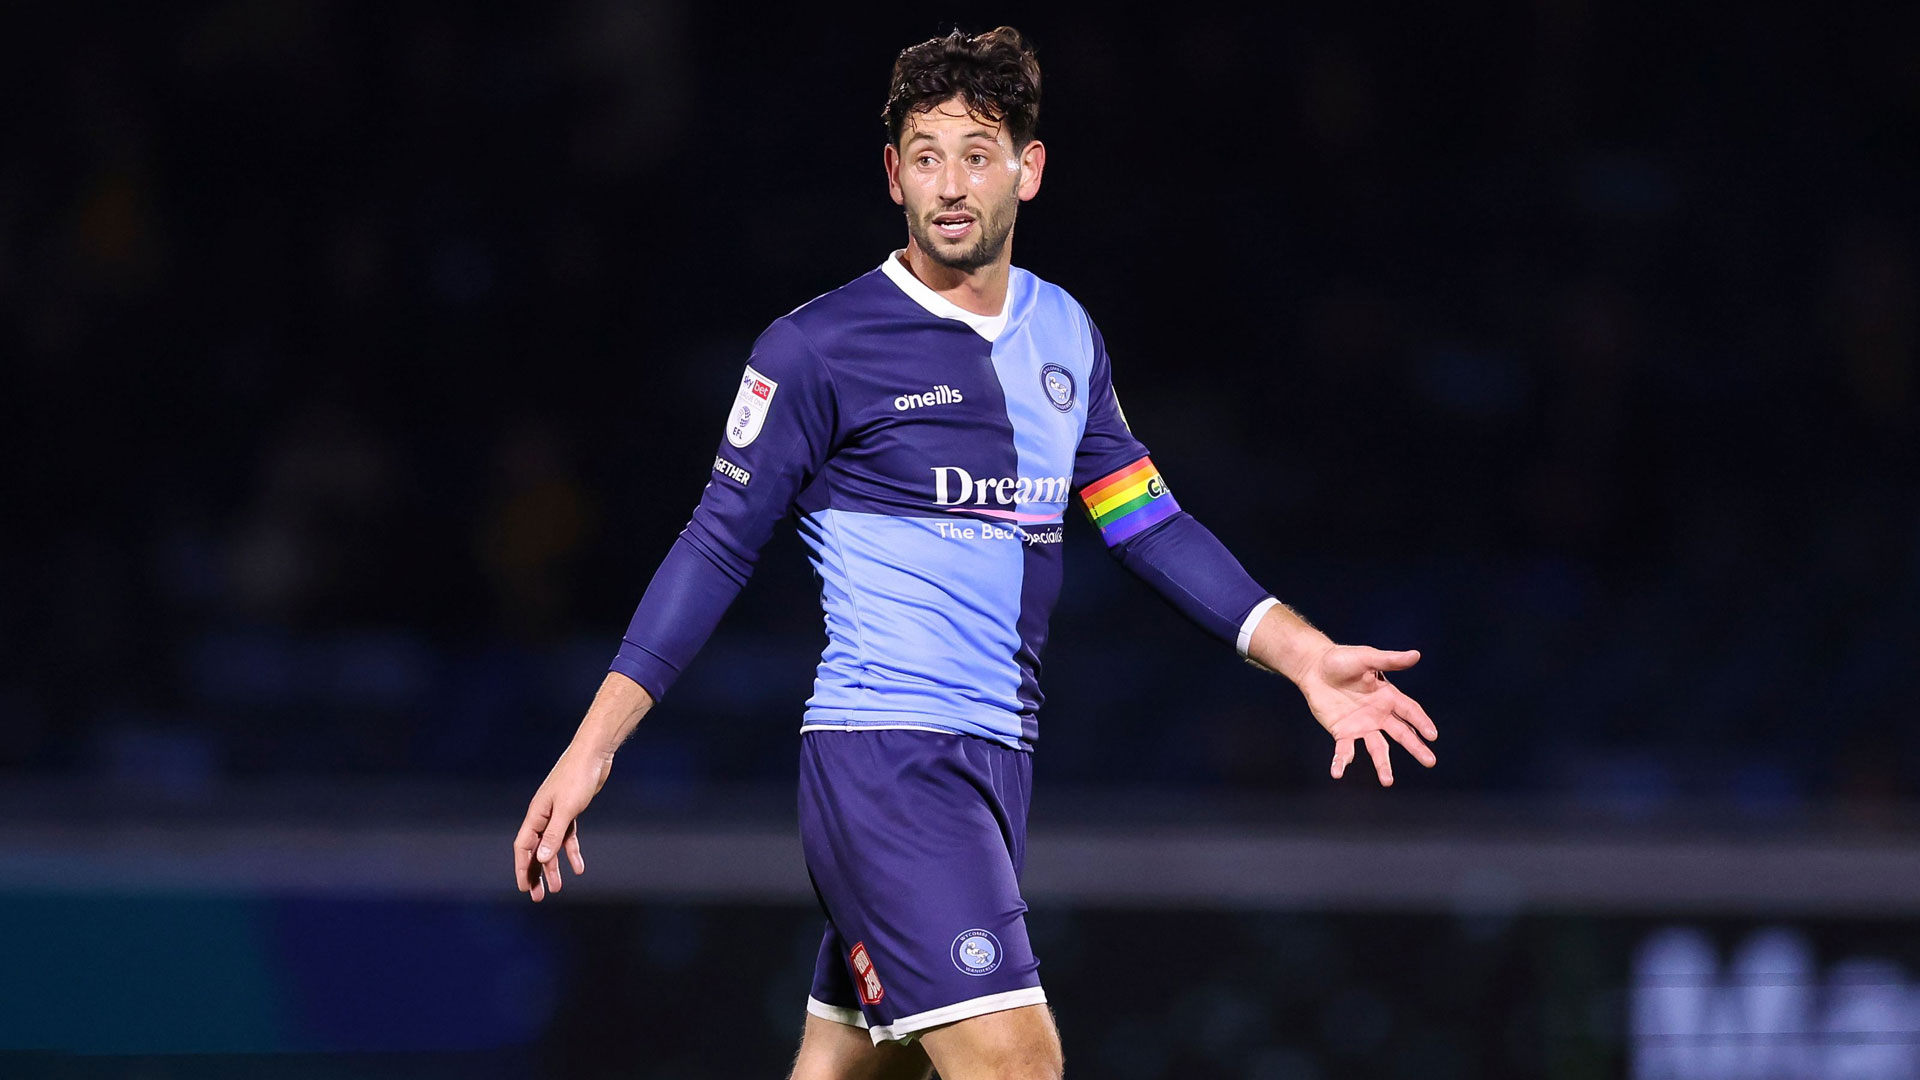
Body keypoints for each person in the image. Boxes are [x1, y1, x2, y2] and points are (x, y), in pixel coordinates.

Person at [512, 25, 1438, 1080]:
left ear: (1028, 171)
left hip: (994, 768)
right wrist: (594, 748)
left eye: (978, 153)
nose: (950, 184)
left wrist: (1306, 656)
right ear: (893, 175)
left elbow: (1147, 521)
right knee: (1015, 1061)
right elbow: (715, 547)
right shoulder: (816, 348)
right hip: (888, 761)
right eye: (924, 155)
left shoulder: (1065, 335)